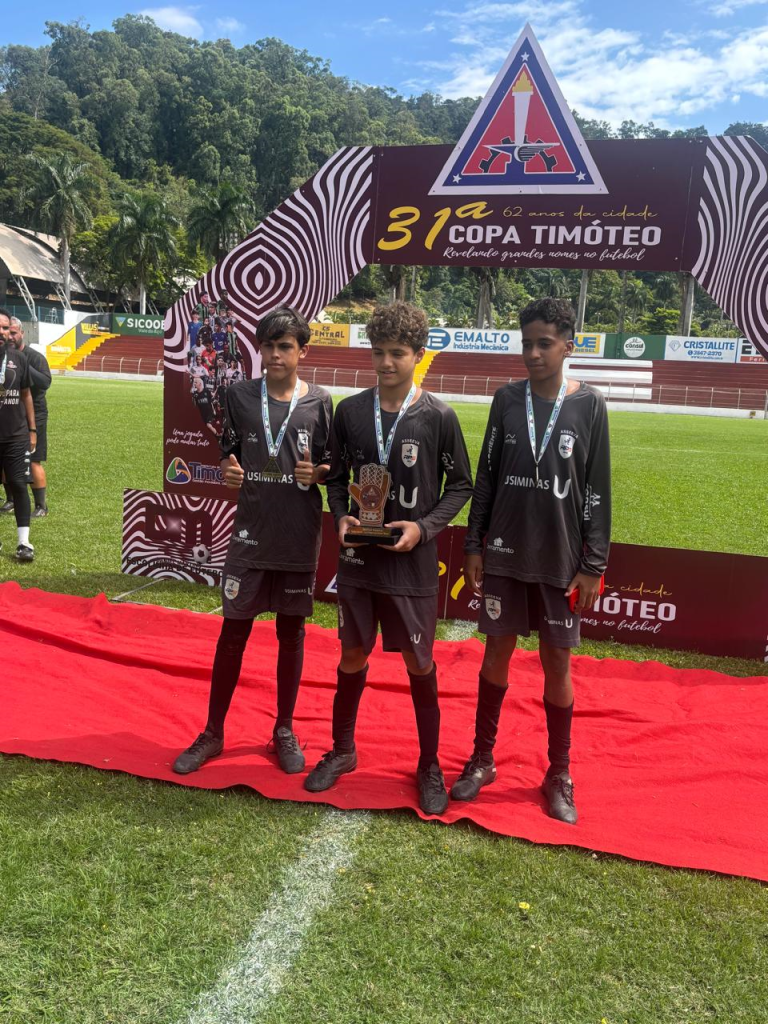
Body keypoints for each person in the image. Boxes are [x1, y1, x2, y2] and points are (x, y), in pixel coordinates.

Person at [304, 301, 473, 816]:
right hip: (359, 562)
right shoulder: (351, 411)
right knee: (351, 655)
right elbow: (335, 476)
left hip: (411, 565)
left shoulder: (439, 416)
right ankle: (343, 749)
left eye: (397, 354)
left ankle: (428, 764)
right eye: (378, 353)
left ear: (419, 356)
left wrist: (423, 527)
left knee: (420, 662)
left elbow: (461, 484)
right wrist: (342, 518)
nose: (385, 363)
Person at [454, 297, 611, 824]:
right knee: (495, 654)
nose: (534, 353)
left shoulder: (589, 405)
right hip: (504, 551)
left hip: (561, 559)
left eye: (544, 343)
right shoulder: (505, 399)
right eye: (527, 343)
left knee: (557, 662)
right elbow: (488, 476)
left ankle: (559, 773)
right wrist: (474, 544)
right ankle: (482, 758)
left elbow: (597, 488)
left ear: (569, 344)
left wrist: (594, 562)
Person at [173, 306, 333, 776]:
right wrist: (227, 469)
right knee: (233, 632)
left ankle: (284, 729)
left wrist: (319, 471)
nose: (276, 354)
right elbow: (228, 453)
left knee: (292, 634)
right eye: (268, 346)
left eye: (285, 346)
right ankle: (212, 732)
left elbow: (331, 466)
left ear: (303, 351)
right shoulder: (240, 396)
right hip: (249, 535)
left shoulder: (321, 402)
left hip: (298, 536)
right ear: (258, 350)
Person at [0, 308, 37, 561]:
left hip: (15, 436)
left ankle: (24, 543)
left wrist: (32, 430)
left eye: (5, 328)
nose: (2, 333)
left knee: (19, 485)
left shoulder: (18, 358)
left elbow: (26, 395)